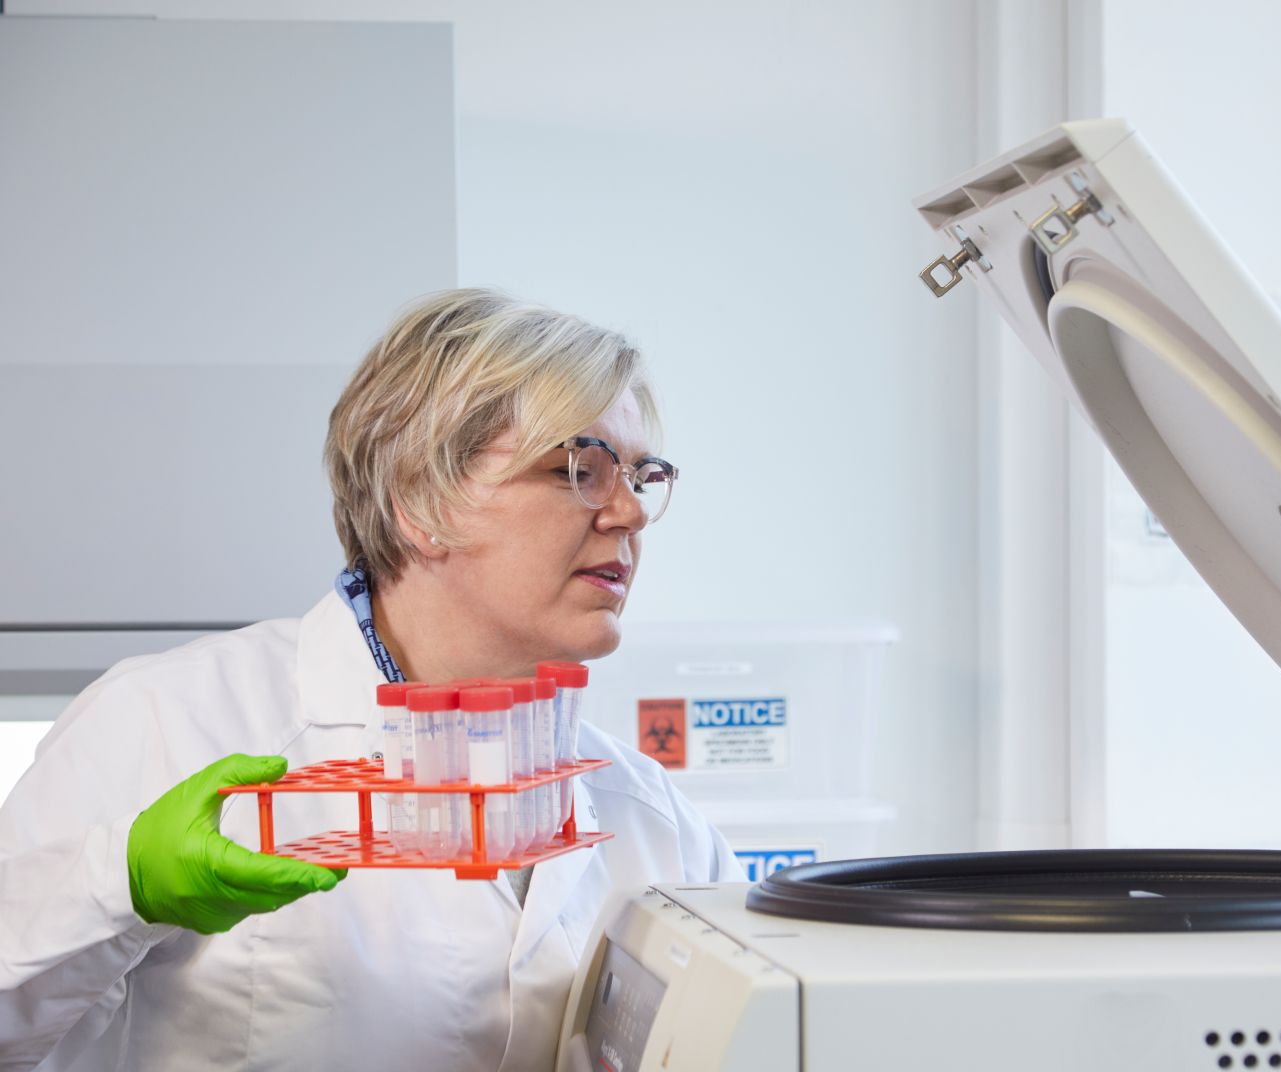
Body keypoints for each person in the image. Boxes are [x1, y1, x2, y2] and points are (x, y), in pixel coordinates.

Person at [0, 289, 742, 1071]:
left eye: (641, 477)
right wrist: (117, 889)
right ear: (419, 500)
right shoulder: (164, 722)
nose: (629, 513)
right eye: (579, 470)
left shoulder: (654, 818)